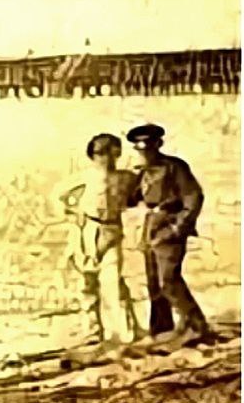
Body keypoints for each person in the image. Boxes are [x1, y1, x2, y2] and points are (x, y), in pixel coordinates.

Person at [125, 123, 210, 341]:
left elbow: (193, 198)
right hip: (150, 228)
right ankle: (162, 328)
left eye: (147, 147)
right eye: (139, 148)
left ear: (158, 145)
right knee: (154, 283)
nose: (143, 152)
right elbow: (132, 198)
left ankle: (196, 326)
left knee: (168, 280)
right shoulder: (142, 172)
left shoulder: (175, 167)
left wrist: (178, 227)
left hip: (169, 228)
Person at [58, 133, 141, 344]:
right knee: (88, 283)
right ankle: (93, 332)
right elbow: (59, 197)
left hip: (111, 230)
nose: (106, 158)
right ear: (93, 155)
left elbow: (137, 197)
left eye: (111, 153)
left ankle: (126, 332)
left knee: (113, 281)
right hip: (86, 231)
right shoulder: (83, 177)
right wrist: (73, 214)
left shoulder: (126, 178)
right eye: (100, 153)